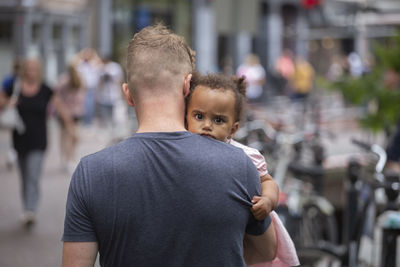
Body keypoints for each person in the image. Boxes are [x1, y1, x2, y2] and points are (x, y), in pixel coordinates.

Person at [62, 24, 277, 267]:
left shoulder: (90, 173)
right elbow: (268, 251)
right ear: (187, 86)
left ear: (128, 94)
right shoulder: (240, 164)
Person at [186, 71, 299, 266]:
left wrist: (268, 201)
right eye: (199, 116)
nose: (207, 125)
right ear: (186, 117)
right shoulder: (183, 152)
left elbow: (268, 181)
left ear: (233, 129)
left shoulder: (245, 156)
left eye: (218, 120)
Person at [0, 58, 75, 227]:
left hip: (39, 140)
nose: (31, 71)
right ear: (25, 70)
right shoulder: (14, 86)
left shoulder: (46, 89)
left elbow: (60, 107)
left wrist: (70, 127)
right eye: (29, 68)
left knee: (33, 174)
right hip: (19, 139)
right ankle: (27, 206)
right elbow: (1, 101)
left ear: (39, 70)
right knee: (24, 176)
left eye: (35, 68)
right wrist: (8, 103)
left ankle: (30, 210)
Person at [55, 63, 85, 173]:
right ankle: (70, 158)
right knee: (73, 136)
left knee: (65, 136)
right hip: (76, 112)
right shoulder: (80, 79)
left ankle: (65, 159)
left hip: (65, 111)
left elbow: (57, 95)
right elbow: (82, 96)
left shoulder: (63, 79)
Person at [95, 55, 124, 136]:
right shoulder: (101, 68)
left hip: (114, 94)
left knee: (115, 115)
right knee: (104, 114)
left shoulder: (115, 67)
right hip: (104, 96)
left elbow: (119, 80)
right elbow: (98, 82)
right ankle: (106, 130)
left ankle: (115, 130)